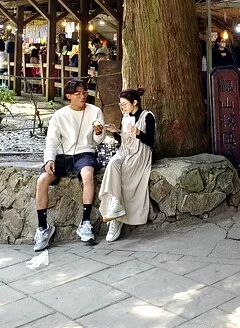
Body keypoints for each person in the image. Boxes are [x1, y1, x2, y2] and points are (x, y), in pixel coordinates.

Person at [33, 79, 105, 251]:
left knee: (88, 175)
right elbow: (51, 141)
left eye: (85, 93)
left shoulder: (95, 111)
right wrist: (49, 159)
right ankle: (43, 228)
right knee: (42, 180)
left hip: (84, 152)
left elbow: (97, 142)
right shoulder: (59, 115)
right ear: (68, 96)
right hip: (62, 155)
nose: (82, 97)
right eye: (78, 94)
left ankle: (85, 222)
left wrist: (99, 132)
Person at [99, 88, 156, 242]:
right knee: (113, 164)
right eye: (121, 104)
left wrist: (139, 133)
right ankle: (115, 205)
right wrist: (115, 132)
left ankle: (116, 220)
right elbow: (124, 141)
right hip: (125, 151)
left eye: (124, 104)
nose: (122, 107)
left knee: (124, 172)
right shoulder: (125, 117)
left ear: (135, 102)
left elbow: (151, 141)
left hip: (140, 153)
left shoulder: (147, 117)